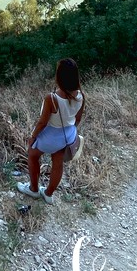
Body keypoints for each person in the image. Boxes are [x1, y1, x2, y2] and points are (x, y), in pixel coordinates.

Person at [18, 58, 86, 205]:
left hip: (52, 135)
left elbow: (42, 122)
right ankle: (48, 194)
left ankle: (34, 189)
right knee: (58, 163)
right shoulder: (81, 95)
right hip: (68, 134)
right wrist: (69, 131)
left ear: (59, 76)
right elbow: (78, 119)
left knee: (32, 155)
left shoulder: (52, 98)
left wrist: (33, 137)